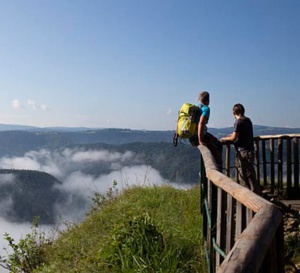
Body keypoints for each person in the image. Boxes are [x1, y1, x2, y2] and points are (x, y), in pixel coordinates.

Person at [220, 103, 262, 195]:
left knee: (242, 174)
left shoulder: (238, 122)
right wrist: (233, 135)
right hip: (250, 150)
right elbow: (242, 134)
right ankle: (257, 193)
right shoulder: (248, 121)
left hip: (242, 151)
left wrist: (224, 139)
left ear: (233, 112)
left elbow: (233, 138)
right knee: (250, 174)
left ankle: (247, 195)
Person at [190, 91, 223, 170]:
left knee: (217, 143)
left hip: (192, 136)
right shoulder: (206, 109)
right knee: (218, 158)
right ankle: (216, 175)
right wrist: (200, 140)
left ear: (199, 99)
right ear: (208, 100)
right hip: (199, 137)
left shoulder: (196, 108)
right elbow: (201, 123)